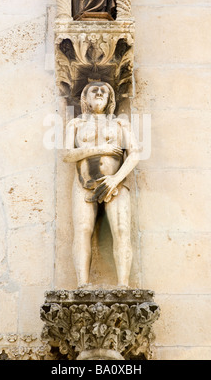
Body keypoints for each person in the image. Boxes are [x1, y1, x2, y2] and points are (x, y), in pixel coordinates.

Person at [64, 81, 139, 287]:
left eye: (103, 91)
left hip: (116, 181)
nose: (99, 93)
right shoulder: (76, 124)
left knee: (122, 229)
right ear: (85, 99)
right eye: (93, 91)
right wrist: (101, 149)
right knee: (82, 229)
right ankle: (82, 284)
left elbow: (134, 154)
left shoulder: (120, 124)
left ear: (110, 99)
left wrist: (116, 179)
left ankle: (123, 285)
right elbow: (67, 155)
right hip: (84, 183)